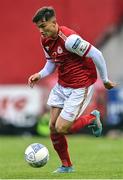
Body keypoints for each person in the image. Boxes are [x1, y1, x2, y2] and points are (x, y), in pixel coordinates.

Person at [28, 6, 116, 173]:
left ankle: (91, 118)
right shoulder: (45, 40)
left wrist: (104, 80)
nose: (41, 31)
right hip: (63, 85)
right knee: (53, 128)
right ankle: (66, 166)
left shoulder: (69, 40)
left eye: (43, 26)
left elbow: (97, 54)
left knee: (62, 128)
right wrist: (40, 74)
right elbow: (52, 63)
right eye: (38, 27)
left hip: (80, 86)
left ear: (54, 23)